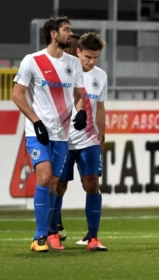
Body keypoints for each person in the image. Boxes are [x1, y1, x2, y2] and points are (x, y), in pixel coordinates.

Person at [12, 15, 87, 252]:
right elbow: (17, 95)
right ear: (53, 34)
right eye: (66, 29)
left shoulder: (73, 63)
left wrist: (82, 110)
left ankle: (51, 232)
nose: (71, 34)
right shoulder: (32, 61)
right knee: (44, 178)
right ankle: (39, 237)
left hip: (62, 134)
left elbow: (78, 95)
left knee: (54, 184)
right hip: (38, 133)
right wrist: (36, 122)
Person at [47, 32, 108, 251]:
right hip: (63, 138)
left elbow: (100, 108)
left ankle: (93, 237)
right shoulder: (64, 72)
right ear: (78, 51)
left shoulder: (100, 76)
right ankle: (52, 233)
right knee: (58, 186)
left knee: (92, 184)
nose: (91, 62)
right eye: (88, 57)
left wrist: (103, 134)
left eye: (96, 58)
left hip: (89, 140)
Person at [57, 32, 81, 242]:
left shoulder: (92, 74)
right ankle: (53, 222)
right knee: (57, 181)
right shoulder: (61, 71)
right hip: (61, 135)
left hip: (82, 138)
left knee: (63, 183)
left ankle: (55, 221)